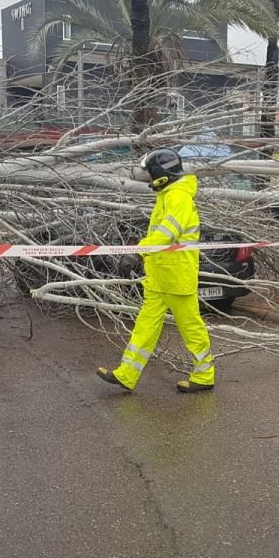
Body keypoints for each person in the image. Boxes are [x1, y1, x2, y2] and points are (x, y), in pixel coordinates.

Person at [96, 148, 215, 394]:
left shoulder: (178, 197)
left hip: (177, 276)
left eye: (150, 174)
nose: (148, 179)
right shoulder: (168, 196)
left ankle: (204, 376)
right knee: (145, 326)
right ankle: (126, 374)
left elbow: (166, 235)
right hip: (160, 275)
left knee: (191, 328)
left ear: (160, 174)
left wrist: (138, 252)